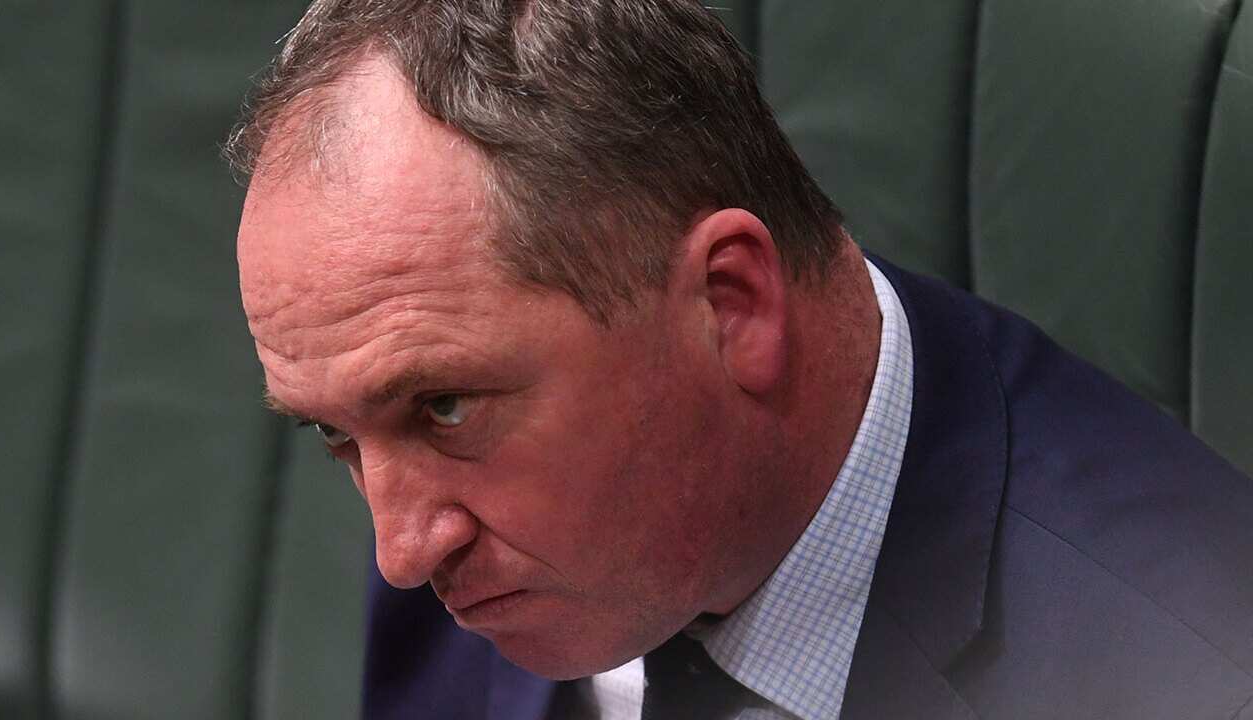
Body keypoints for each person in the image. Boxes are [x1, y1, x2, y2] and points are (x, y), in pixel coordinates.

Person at [226, 1, 1253, 718]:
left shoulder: (1188, 671)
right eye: (332, 434)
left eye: (444, 406)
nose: (402, 555)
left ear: (732, 304)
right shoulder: (468, 505)